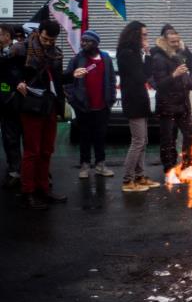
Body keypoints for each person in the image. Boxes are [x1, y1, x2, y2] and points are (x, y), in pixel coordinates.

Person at [16, 20, 67, 209]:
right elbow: (6, 69)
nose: (48, 43)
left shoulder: (56, 52)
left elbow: (59, 79)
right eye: (45, 38)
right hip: (30, 104)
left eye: (51, 40)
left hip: (49, 105)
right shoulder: (21, 48)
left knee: (46, 151)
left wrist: (73, 75)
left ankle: (43, 189)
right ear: (39, 32)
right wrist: (17, 81)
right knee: (32, 152)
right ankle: (28, 192)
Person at [151, 28, 192, 183]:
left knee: (190, 135)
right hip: (167, 105)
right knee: (168, 140)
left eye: (178, 41)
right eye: (173, 42)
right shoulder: (158, 58)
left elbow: (186, 79)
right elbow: (159, 84)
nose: (176, 44)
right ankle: (169, 172)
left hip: (182, 104)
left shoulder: (179, 56)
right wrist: (174, 75)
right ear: (165, 41)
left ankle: (188, 168)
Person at [64, 30, 116, 179]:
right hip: (83, 106)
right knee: (84, 136)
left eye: (87, 41)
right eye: (83, 41)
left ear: (96, 43)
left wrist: (110, 99)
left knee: (100, 136)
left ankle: (100, 165)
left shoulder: (105, 58)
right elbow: (68, 80)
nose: (84, 43)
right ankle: (85, 165)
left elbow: (111, 79)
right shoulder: (77, 59)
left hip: (102, 106)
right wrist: (73, 99)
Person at [117, 21, 160, 192]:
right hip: (133, 100)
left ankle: (140, 176)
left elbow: (144, 75)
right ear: (135, 34)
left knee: (143, 141)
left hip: (139, 99)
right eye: (144, 34)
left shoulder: (133, 52)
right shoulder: (126, 53)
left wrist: (146, 54)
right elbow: (142, 76)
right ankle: (128, 180)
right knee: (138, 141)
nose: (146, 37)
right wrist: (148, 54)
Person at [0, 23, 24, 189]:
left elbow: (18, 74)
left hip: (16, 101)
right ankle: (13, 168)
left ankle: (19, 171)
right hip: (3, 101)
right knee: (8, 138)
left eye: (0, 34)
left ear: (8, 36)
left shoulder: (18, 52)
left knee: (17, 136)